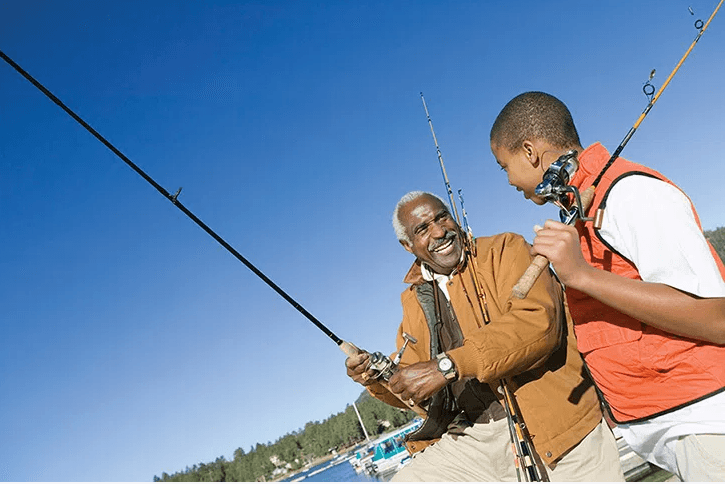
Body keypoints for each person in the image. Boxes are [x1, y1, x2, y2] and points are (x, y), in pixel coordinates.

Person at [489, 91, 725, 481]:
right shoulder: (580, 209)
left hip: (702, 422)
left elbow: (716, 316)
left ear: (530, 151)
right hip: (672, 430)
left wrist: (582, 275)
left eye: (504, 166)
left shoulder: (629, 192)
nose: (510, 181)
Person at [345, 191, 623, 482]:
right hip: (476, 439)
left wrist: (448, 365)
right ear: (407, 245)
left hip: (559, 425)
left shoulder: (506, 249)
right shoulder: (413, 302)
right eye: (423, 229)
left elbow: (538, 323)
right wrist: (375, 379)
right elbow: (416, 389)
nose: (439, 231)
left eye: (442, 217)